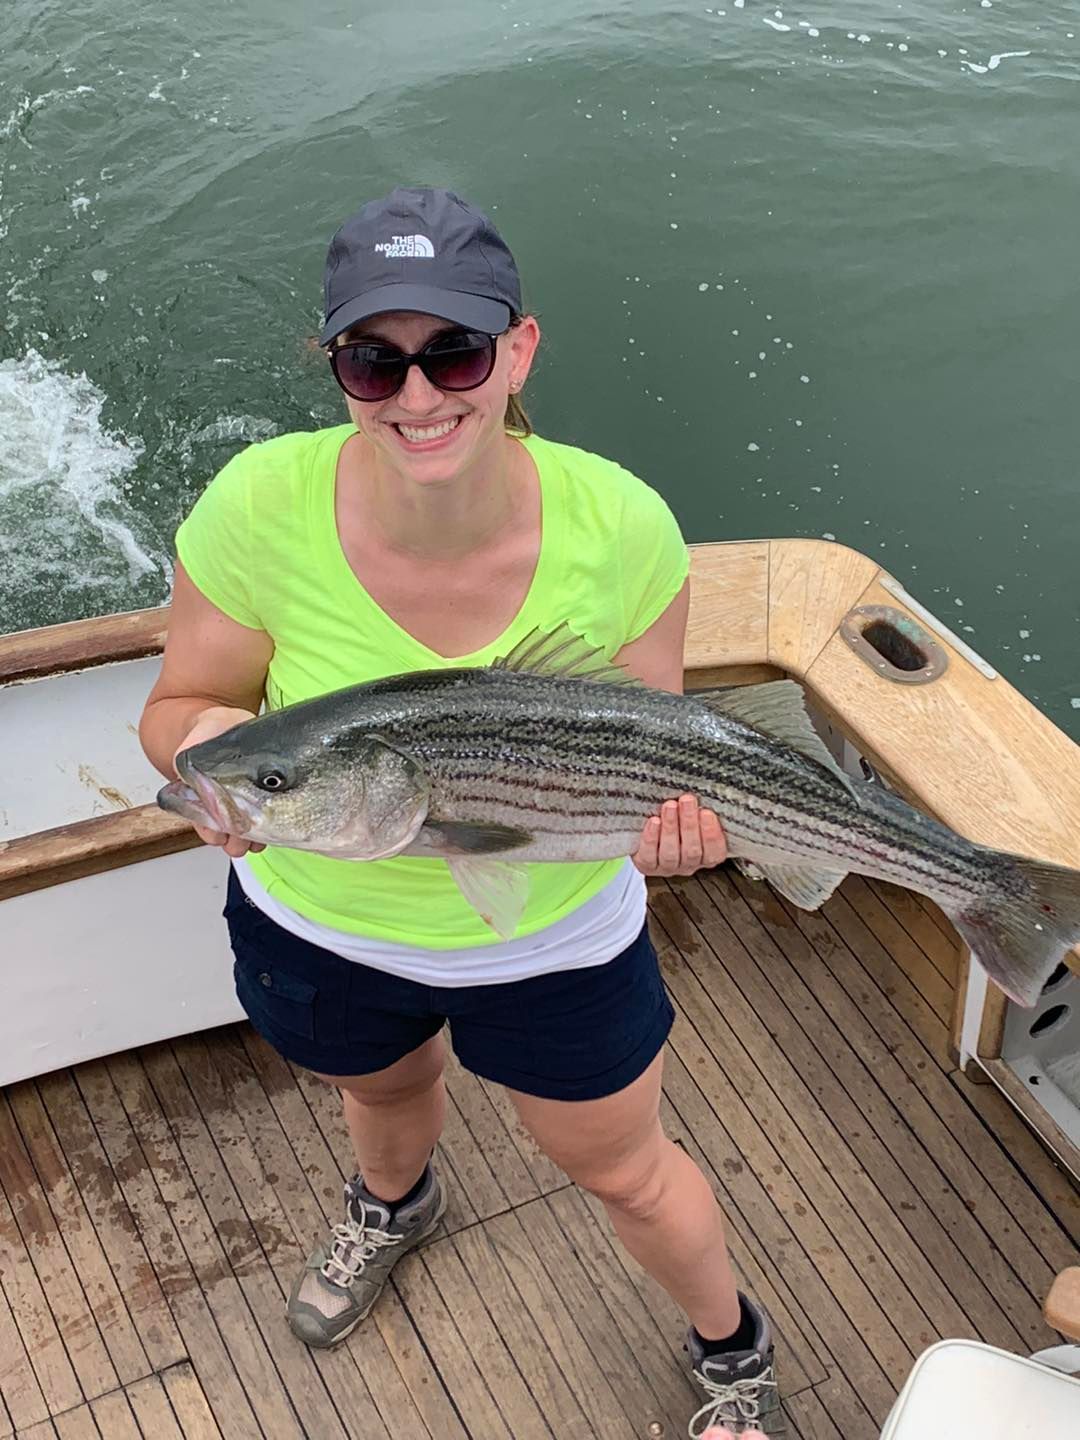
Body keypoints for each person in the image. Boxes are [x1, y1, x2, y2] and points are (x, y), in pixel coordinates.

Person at [140, 186, 784, 1438]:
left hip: (554, 941)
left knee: (625, 1171)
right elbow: (182, 709)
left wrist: (681, 835)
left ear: (519, 350)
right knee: (384, 1096)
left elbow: (651, 746)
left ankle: (732, 1346)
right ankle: (395, 1204)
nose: (418, 394)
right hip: (321, 925)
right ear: (336, 367)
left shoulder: (624, 525)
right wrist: (218, 751)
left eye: (455, 352)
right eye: (374, 360)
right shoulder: (256, 503)